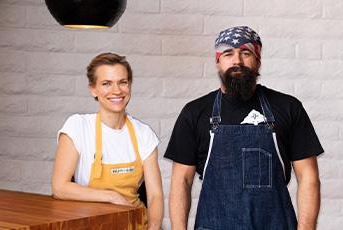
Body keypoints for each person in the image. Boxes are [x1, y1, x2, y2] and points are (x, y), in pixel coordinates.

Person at [165, 26, 323, 230]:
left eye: (245, 53)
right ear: (218, 61)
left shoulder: (288, 107)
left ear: (258, 59)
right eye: (228, 54)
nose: (237, 61)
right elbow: (181, 182)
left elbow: (308, 178)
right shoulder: (194, 112)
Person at [52, 52, 163, 229]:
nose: (117, 90)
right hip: (90, 225)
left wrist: (154, 227)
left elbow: (155, 195)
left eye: (122, 82)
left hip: (135, 223)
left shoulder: (144, 134)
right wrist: (112, 197)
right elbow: (60, 187)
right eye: (106, 84)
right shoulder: (78, 127)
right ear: (93, 89)